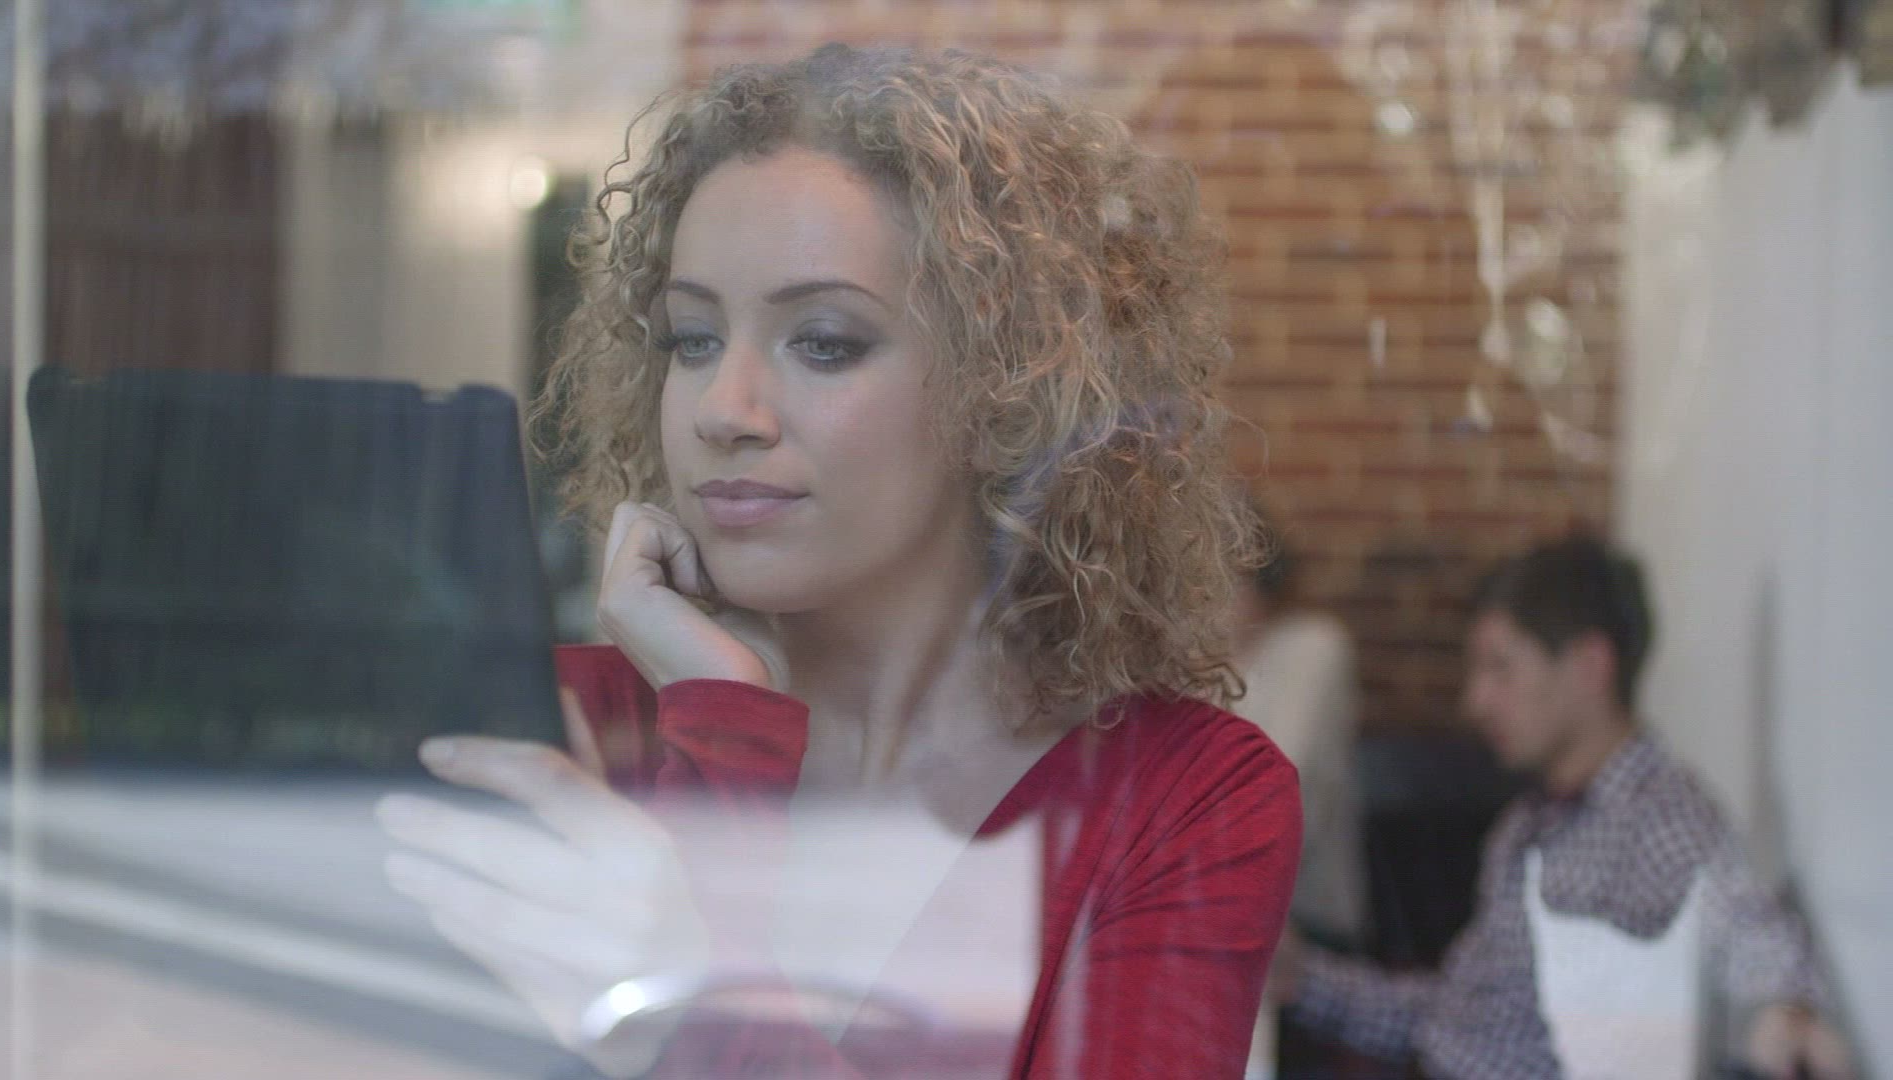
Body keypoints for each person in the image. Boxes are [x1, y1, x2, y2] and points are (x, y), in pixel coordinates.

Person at [377, 44, 1301, 1079]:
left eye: (823, 342)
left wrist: (695, 1008)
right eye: (691, 339)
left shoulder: (1183, 799)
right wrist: (722, 725)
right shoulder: (553, 730)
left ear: (1007, 391)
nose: (724, 411)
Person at [1267, 535, 1854, 1080]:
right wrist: (1301, 978)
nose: (1476, 701)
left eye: (1501, 668)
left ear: (1589, 667)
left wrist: (1789, 1015)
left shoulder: (1654, 813)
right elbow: (1459, 1016)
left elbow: (1753, 935)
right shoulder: (1528, 823)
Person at [1224, 523, 1365, 1079]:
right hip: (1215, 922)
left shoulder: (1314, 647)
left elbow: (1280, 793)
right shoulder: (1183, 664)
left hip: (1309, 928)